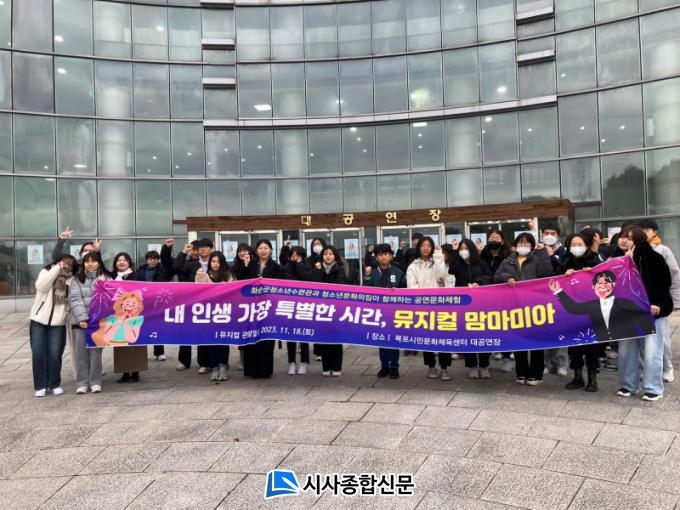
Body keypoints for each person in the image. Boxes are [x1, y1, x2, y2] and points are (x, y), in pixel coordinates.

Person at [611, 225, 672, 401]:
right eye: (622, 236)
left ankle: (653, 388)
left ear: (638, 241)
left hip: (651, 312)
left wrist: (657, 303)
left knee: (652, 351)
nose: (624, 240)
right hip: (627, 312)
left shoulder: (653, 257)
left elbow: (663, 282)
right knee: (626, 351)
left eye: (629, 238)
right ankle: (628, 385)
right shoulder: (616, 259)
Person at [494, 233, 553, 386]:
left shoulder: (537, 259)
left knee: (536, 342)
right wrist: (507, 277)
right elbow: (496, 276)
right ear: (515, 245)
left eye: (527, 243)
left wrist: (542, 252)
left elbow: (547, 273)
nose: (523, 246)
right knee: (519, 341)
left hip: (535, 306)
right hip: (515, 306)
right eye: (520, 243)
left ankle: (536, 374)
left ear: (532, 245)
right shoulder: (508, 261)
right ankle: (521, 373)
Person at [553, 232, 602, 392]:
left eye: (580, 244)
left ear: (587, 245)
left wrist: (593, 273)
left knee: (592, 346)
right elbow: (554, 282)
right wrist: (564, 275)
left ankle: (592, 379)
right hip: (571, 310)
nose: (576, 247)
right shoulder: (564, 261)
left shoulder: (595, 259)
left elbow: (606, 279)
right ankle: (578, 377)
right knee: (574, 346)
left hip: (592, 310)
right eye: (573, 245)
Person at [231, 241, 282, 378]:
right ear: (256, 251)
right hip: (251, 306)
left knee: (266, 337)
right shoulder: (251, 264)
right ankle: (251, 370)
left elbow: (280, 285)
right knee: (252, 336)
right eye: (260, 248)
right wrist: (246, 266)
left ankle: (265, 370)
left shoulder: (276, 267)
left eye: (266, 248)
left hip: (268, 306)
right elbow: (241, 281)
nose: (263, 250)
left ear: (271, 250)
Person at [638, 219, 680, 383]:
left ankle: (667, 368)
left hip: (659, 302)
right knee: (644, 338)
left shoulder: (663, 250)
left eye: (646, 230)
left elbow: (673, 275)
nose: (643, 233)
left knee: (662, 339)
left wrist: (676, 300)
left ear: (654, 232)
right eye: (641, 230)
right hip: (641, 302)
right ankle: (646, 370)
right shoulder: (635, 250)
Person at [29, 254, 77, 397]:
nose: (66, 266)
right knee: (38, 353)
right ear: (58, 262)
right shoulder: (46, 272)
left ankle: (54, 383)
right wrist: (56, 269)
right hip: (38, 320)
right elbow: (41, 287)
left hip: (58, 322)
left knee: (55, 354)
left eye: (70, 264)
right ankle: (40, 385)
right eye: (64, 262)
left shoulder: (72, 280)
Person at [406, 236, 452, 380]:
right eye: (423, 245)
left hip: (440, 306)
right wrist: (423, 300)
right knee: (427, 339)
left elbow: (442, 277)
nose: (426, 248)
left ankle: (444, 367)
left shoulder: (438, 261)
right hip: (424, 307)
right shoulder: (413, 266)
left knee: (444, 338)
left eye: (428, 245)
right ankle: (431, 366)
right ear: (418, 247)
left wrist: (438, 257)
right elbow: (412, 287)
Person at [449, 239, 493, 379]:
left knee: (483, 336)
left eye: (466, 248)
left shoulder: (481, 263)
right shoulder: (457, 263)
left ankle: (484, 365)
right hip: (464, 305)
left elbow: (489, 277)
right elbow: (451, 271)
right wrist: (455, 252)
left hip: (481, 304)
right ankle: (472, 365)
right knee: (467, 336)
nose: (463, 251)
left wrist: (478, 282)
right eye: (461, 248)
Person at [365, 243, 407, 378]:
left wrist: (398, 291)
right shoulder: (372, 272)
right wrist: (366, 276)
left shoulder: (398, 272)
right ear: (376, 258)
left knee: (393, 341)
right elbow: (365, 290)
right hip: (378, 313)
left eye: (386, 254)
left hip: (394, 313)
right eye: (380, 255)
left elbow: (406, 290)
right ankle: (384, 366)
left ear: (391, 256)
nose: (383, 257)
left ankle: (394, 367)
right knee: (381, 341)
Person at [69, 252, 108, 394]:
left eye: (93, 261)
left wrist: (102, 284)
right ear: (83, 263)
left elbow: (108, 299)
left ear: (99, 263)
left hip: (97, 323)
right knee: (80, 353)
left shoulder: (105, 278)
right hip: (80, 322)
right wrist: (82, 318)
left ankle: (95, 382)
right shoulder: (76, 280)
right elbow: (75, 299)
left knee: (96, 354)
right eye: (87, 261)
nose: (90, 264)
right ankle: (82, 383)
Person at [307, 245, 348, 376]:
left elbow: (341, 287)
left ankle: (336, 368)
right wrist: (318, 271)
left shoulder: (340, 269)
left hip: (336, 310)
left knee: (335, 340)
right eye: (325, 254)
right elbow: (312, 284)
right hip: (321, 309)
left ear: (335, 256)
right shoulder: (317, 269)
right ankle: (326, 367)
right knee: (324, 339)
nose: (328, 256)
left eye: (330, 254)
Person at [175, 238, 214, 373]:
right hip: (190, 302)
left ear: (211, 249)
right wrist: (183, 252)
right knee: (185, 332)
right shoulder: (192, 264)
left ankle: (204, 363)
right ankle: (184, 361)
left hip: (208, 304)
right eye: (200, 247)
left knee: (203, 333)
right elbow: (176, 267)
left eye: (205, 247)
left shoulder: (215, 263)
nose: (202, 249)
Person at [130, 243, 174, 361]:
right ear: (147, 260)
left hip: (157, 303)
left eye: (155, 259)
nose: (153, 261)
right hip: (142, 302)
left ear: (158, 260)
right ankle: (141, 353)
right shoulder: (140, 271)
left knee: (157, 327)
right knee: (141, 327)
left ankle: (159, 352)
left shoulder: (163, 271)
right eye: (150, 259)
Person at [111, 252, 147, 383]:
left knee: (136, 342)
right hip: (119, 315)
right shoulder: (112, 277)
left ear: (129, 263)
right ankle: (125, 372)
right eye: (119, 260)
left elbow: (146, 290)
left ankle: (136, 372)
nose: (121, 262)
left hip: (135, 314)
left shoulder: (138, 275)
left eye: (124, 260)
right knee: (120, 342)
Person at [480, 230, 514, 372]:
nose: (494, 240)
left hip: (504, 297)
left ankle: (507, 357)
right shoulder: (482, 255)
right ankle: (485, 362)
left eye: (497, 238)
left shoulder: (508, 256)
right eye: (491, 237)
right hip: (486, 297)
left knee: (505, 328)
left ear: (502, 241)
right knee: (487, 328)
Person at [195, 251, 231, 382]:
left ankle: (223, 366)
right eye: (213, 261)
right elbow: (197, 291)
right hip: (208, 313)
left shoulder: (228, 275)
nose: (215, 264)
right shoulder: (204, 274)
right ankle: (214, 366)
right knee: (211, 340)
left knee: (223, 340)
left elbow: (232, 291)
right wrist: (200, 277)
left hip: (224, 312)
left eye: (218, 262)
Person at [541, 224, 569, 378]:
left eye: (552, 233)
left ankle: (561, 364)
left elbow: (562, 271)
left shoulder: (564, 252)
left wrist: (552, 257)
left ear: (558, 236)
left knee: (561, 331)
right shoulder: (537, 251)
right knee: (545, 331)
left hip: (560, 296)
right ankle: (546, 363)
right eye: (546, 233)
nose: (549, 236)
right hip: (542, 297)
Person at [283, 246, 312, 375]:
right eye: (293, 255)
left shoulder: (308, 266)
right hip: (289, 303)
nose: (295, 258)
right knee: (290, 334)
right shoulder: (286, 267)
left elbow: (306, 280)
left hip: (304, 304)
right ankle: (291, 362)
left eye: (298, 255)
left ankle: (304, 361)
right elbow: (287, 282)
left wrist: (300, 265)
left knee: (304, 333)